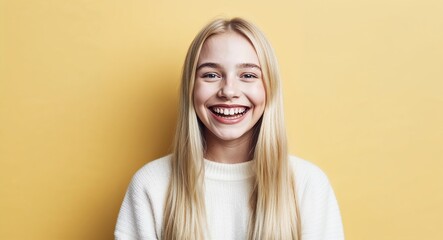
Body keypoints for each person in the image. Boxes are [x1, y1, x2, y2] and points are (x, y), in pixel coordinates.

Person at [115, 17, 344, 240]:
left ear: (269, 88)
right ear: (190, 88)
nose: (228, 91)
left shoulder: (308, 186)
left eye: (248, 75)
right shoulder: (151, 185)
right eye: (211, 75)